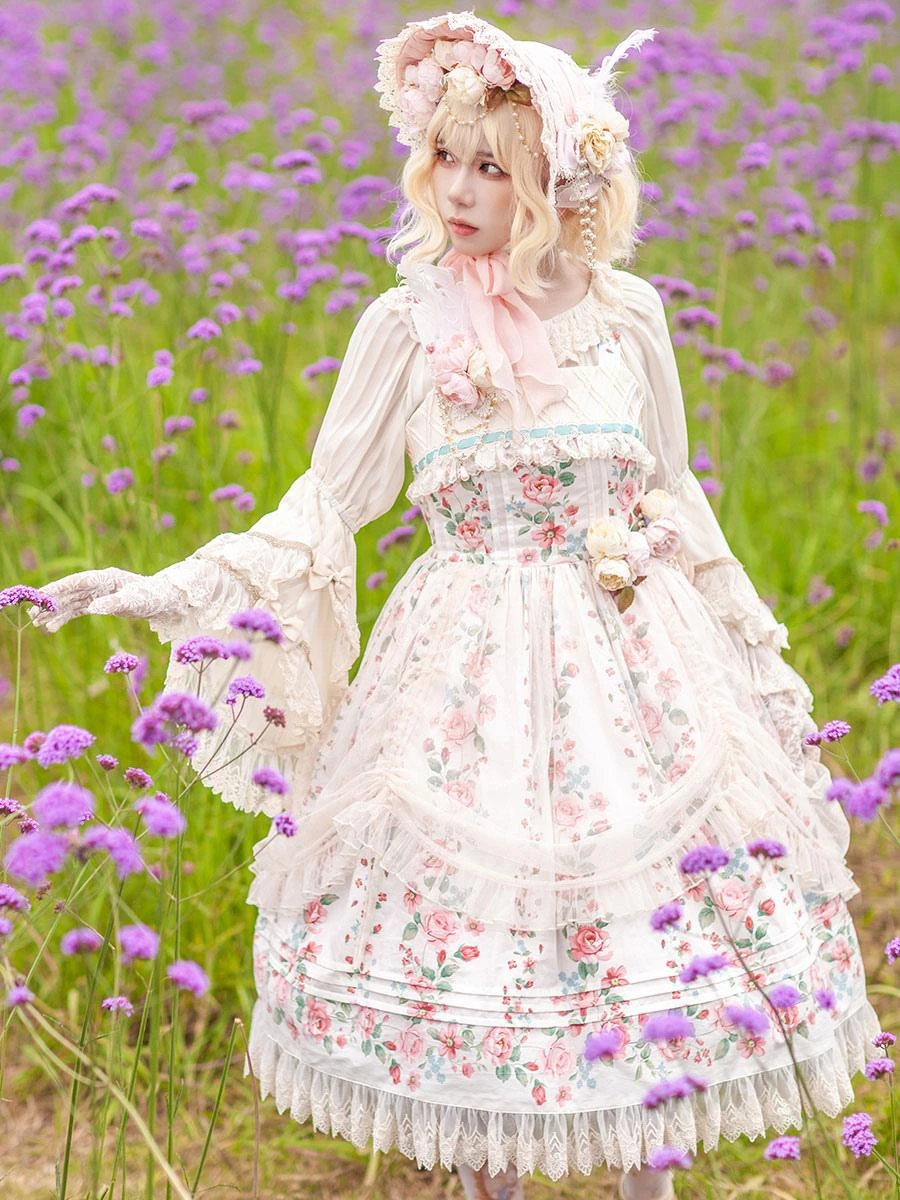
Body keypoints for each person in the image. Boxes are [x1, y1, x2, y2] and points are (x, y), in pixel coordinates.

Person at [31, 12, 881, 1200]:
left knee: (647, 921)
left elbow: (674, 488)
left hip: (633, 663)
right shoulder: (405, 326)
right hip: (465, 675)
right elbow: (325, 507)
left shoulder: (628, 317)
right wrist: (166, 589)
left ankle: (647, 1179)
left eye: (493, 164)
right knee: (479, 940)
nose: (462, 188)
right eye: (445, 157)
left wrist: (749, 644)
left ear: (555, 182)